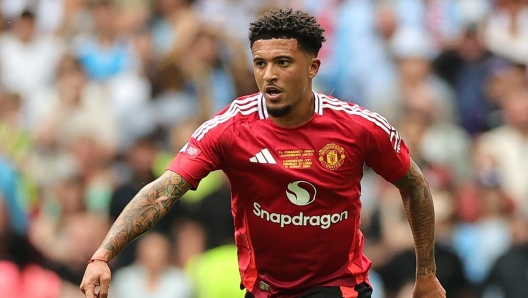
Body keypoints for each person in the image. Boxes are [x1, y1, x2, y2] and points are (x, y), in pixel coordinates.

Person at [80, 8, 446, 298]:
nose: (269, 75)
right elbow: (163, 190)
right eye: (260, 63)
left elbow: (414, 185)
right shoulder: (229, 128)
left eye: (283, 63)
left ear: (313, 67)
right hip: (264, 290)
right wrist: (103, 255)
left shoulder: (358, 127)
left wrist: (426, 274)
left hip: (338, 286)